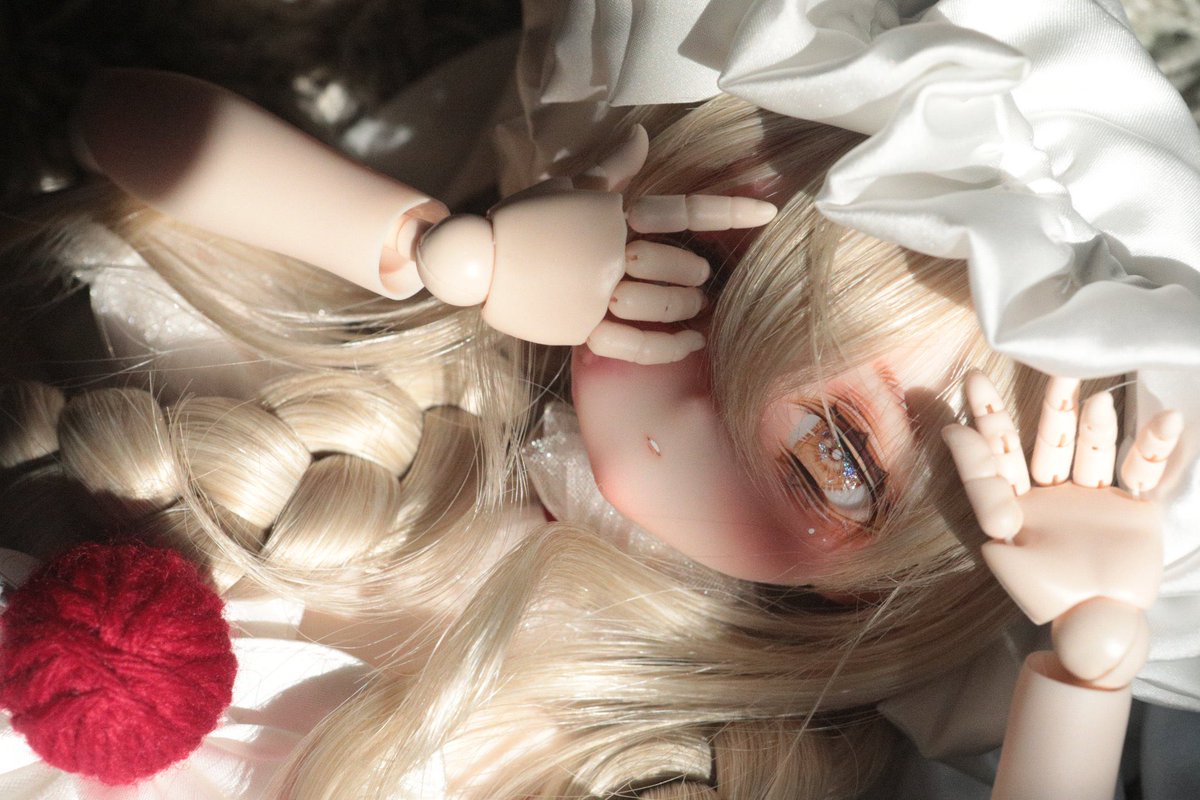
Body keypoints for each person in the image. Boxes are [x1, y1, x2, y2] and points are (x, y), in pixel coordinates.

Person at [1, 1, 1199, 798]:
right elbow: (122, 121)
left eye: (837, 462)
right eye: (699, 273)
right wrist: (434, 248)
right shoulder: (436, 383)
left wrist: (1088, 660)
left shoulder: (752, 749)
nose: (702, 399)